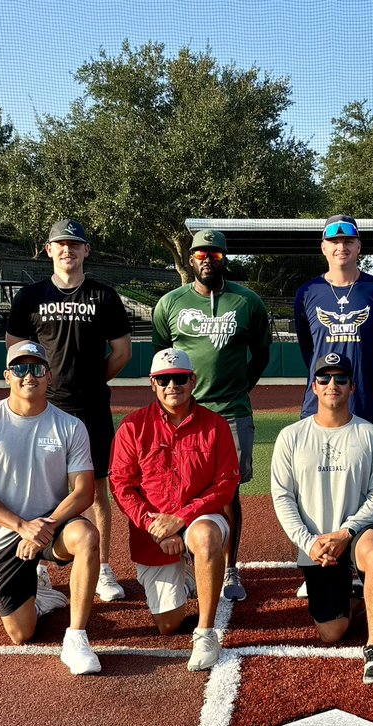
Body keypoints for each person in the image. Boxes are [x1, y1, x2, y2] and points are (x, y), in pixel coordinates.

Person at [6, 219, 132, 605]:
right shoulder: (30, 297)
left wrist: (91, 380)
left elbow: (122, 352)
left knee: (95, 489)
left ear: (86, 250)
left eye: (75, 244)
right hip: (42, 409)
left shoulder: (104, 296)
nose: (67, 250)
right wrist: (42, 387)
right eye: (60, 244)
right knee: (38, 488)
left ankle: (103, 567)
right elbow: (15, 349)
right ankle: (38, 568)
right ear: (48, 250)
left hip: (91, 408)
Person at [0, 341, 103, 676]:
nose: (29, 376)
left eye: (37, 368)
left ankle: (76, 638)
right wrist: (23, 527)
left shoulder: (70, 426)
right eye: (20, 368)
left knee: (87, 536)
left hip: (54, 525)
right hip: (7, 533)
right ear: (7, 375)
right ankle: (40, 595)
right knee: (21, 634)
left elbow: (84, 492)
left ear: (49, 376)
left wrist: (44, 527)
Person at [152, 229, 272, 604]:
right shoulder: (170, 303)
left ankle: (230, 568)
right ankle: (187, 563)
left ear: (225, 259)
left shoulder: (247, 302)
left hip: (232, 411)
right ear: (191, 259)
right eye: (201, 254)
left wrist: (240, 386)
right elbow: (162, 357)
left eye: (215, 255)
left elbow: (261, 354)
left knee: (228, 491)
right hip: (182, 413)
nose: (208, 260)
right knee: (179, 485)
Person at [109, 348, 241, 673]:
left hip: (199, 518)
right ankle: (192, 577)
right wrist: (153, 526)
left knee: (206, 536)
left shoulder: (216, 425)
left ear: (192, 380)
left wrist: (181, 519)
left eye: (179, 378)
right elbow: (121, 485)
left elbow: (226, 484)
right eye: (164, 379)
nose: (172, 385)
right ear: (153, 383)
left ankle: (206, 634)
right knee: (168, 624)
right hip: (153, 530)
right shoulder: (132, 426)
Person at [271, 353, 373, 685]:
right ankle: (360, 595)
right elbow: (283, 497)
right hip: (317, 544)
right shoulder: (291, 437)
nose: (332, 385)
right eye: (324, 378)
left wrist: (347, 532)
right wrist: (310, 543)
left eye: (341, 379)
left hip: (358, 532)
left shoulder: (372, 435)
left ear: (352, 387)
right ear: (313, 387)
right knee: (332, 632)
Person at [293, 214, 373, 427]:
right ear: (323, 247)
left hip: (364, 404)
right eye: (334, 242)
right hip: (319, 407)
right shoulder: (306, 293)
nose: (341, 247)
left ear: (359, 246)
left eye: (348, 241)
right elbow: (308, 351)